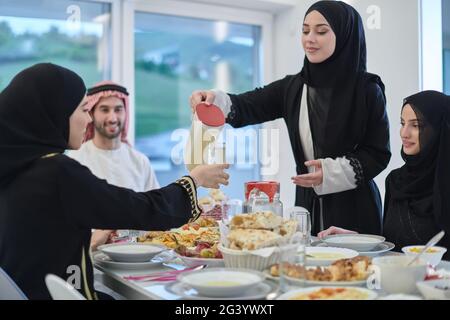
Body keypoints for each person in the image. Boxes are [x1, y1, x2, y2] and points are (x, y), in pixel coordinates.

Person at [0, 63, 229, 299]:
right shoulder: (57, 172)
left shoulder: (15, 168)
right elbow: (139, 209)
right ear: (54, 113)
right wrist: (195, 179)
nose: (87, 120)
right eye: (82, 110)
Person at [189, 0, 390, 235]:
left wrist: (331, 172)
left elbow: (378, 153)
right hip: (307, 206)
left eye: (321, 31)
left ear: (345, 36)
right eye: (305, 30)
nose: (309, 38)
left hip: (354, 210)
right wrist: (212, 98)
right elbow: (246, 105)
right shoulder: (293, 87)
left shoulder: (367, 89)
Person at [319, 91, 450, 257]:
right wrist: (353, 240)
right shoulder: (396, 181)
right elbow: (392, 245)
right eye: (402, 123)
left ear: (439, 130)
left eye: (415, 125)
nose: (404, 133)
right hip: (395, 280)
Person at [66, 81, 160, 250]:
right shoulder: (75, 160)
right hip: (90, 260)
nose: (112, 118)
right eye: (104, 110)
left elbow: (155, 215)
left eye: (118, 109)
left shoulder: (140, 161)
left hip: (138, 258)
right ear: (92, 113)